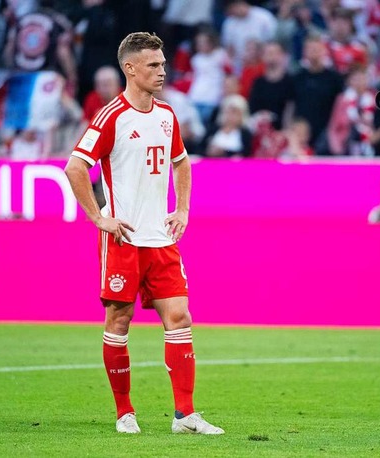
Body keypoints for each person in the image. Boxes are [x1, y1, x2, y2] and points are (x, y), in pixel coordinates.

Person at [64, 32, 224, 435]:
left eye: (163, 63)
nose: (162, 71)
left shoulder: (167, 115)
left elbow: (182, 163)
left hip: (161, 238)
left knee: (180, 316)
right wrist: (99, 217)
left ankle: (185, 415)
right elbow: (75, 167)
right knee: (119, 320)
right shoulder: (111, 116)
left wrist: (183, 208)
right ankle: (124, 413)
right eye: (153, 65)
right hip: (123, 238)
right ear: (130, 69)